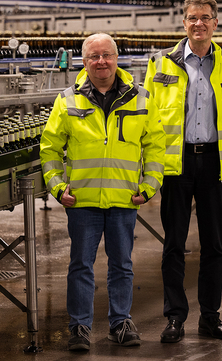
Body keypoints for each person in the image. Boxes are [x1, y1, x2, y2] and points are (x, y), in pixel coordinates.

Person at [40, 33, 166, 351]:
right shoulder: (68, 99)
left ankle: (120, 322)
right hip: (83, 200)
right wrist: (56, 186)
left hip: (124, 197)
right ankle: (79, 327)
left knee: (121, 263)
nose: (101, 62)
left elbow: (155, 146)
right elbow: (50, 148)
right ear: (84, 62)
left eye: (107, 55)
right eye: (94, 56)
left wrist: (150, 185)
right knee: (81, 264)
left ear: (116, 58)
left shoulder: (140, 97)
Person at [143, 0, 222, 343]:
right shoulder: (161, 64)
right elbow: (147, 119)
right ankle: (175, 317)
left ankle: (210, 317)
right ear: (184, 23)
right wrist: (150, 170)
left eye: (205, 18)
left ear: (215, 23)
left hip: (215, 163)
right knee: (174, 244)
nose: (199, 24)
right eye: (192, 18)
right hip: (177, 164)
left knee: (214, 245)